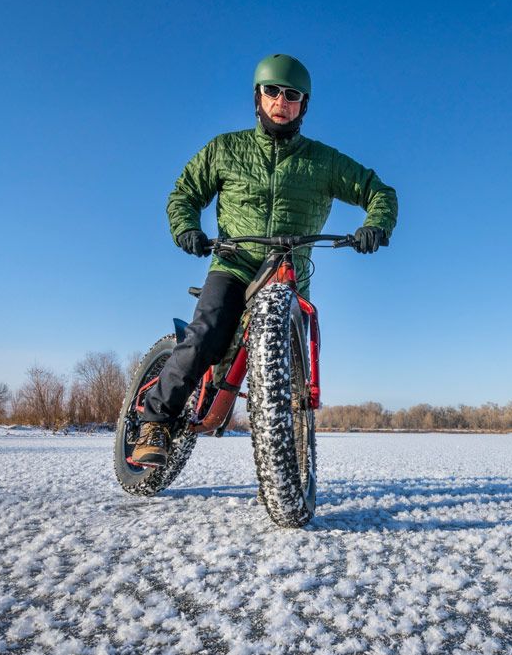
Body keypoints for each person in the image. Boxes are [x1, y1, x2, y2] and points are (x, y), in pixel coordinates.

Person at [132, 54, 398, 465]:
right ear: (258, 97)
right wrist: (187, 228)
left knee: (295, 355)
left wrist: (375, 226)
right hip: (234, 263)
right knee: (208, 333)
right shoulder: (225, 149)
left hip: (289, 273)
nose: (281, 101)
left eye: (292, 95)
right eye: (272, 91)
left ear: (303, 105)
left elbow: (379, 192)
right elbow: (183, 194)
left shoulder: (323, 161)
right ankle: (155, 422)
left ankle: (288, 453)